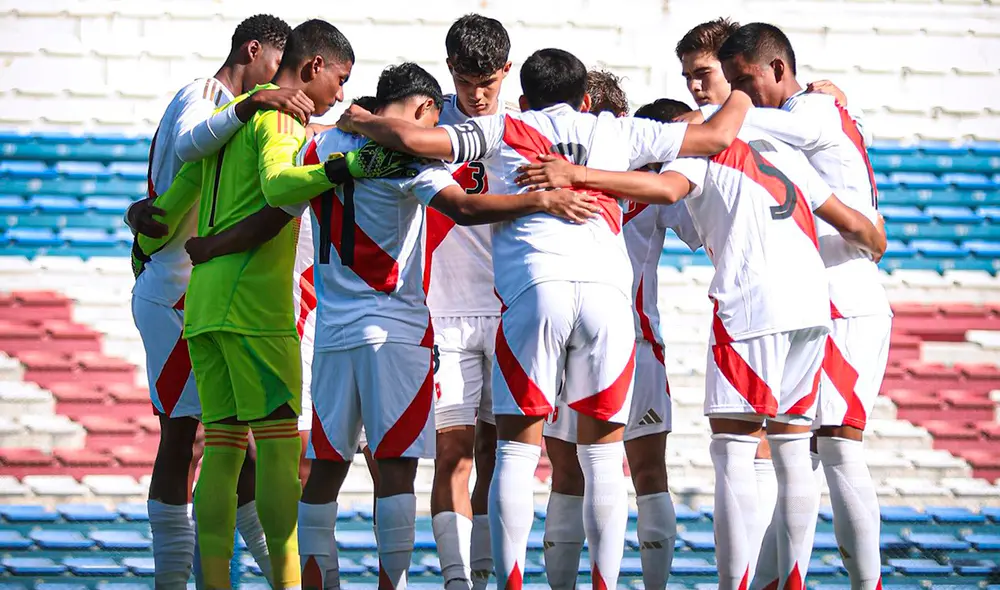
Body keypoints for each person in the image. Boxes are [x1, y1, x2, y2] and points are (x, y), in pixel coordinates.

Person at [336, 47, 752, 590]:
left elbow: (416, 141)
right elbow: (716, 136)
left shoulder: (505, 127)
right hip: (608, 296)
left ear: (523, 96)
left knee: (513, 446)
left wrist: (363, 118)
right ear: (584, 98)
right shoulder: (619, 132)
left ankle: (507, 582)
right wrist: (743, 83)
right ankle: (606, 582)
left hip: (536, 292)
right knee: (603, 456)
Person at [515, 105, 886, 590]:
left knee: (712, 455)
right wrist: (874, 240)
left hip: (688, 319)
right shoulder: (782, 152)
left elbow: (673, 191)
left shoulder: (686, 154)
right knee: (789, 452)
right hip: (808, 308)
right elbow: (854, 224)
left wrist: (582, 176)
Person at [286, 62, 600, 590]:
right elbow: (464, 206)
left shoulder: (319, 150)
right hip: (394, 331)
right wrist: (540, 198)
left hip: (333, 331)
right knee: (397, 471)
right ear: (424, 110)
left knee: (324, 471)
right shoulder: (403, 155)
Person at [136, 19, 425, 588]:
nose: (340, 94)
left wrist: (138, 229)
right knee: (274, 453)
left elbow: (168, 206)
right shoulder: (275, 120)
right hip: (255, 305)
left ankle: (213, 580)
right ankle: (288, 581)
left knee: (220, 448)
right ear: (313, 67)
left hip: (204, 302)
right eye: (339, 79)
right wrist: (348, 167)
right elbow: (277, 188)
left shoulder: (227, 124)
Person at [128, 14, 309, 588]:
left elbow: (162, 197)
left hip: (191, 288)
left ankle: (278, 574)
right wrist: (251, 108)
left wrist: (136, 216)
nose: (277, 83)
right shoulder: (208, 95)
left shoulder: (232, 111)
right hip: (176, 292)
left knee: (236, 441)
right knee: (189, 437)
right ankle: (174, 580)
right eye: (273, 68)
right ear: (253, 51)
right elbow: (185, 146)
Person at [718, 23, 890, 590]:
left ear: (776, 69)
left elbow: (793, 128)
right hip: (824, 292)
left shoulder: (812, 106)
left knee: (836, 447)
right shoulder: (823, 106)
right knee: (794, 454)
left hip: (841, 292)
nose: (741, 94)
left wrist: (718, 114)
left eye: (746, 82)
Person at [539, 80, 698, 590]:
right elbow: (699, 229)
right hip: (634, 340)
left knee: (568, 475)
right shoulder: (644, 185)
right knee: (646, 474)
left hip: (571, 342)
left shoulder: (555, 176)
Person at [428, 15, 517, 590]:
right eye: (465, 80)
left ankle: (484, 578)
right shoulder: (426, 119)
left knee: (499, 454)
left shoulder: (527, 124)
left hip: (510, 312)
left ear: (506, 70)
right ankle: (458, 582)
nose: (477, 93)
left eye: (487, 80)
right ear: (449, 72)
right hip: (443, 314)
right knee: (452, 454)